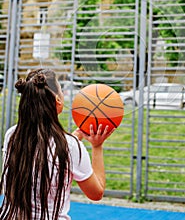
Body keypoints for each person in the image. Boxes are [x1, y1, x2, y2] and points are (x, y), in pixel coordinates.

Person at [0, 68, 113, 220]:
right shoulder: (70, 146)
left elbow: (43, 149)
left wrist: (75, 137)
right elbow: (96, 193)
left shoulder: (12, 135)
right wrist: (97, 147)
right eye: (61, 89)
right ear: (58, 101)